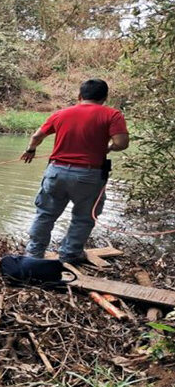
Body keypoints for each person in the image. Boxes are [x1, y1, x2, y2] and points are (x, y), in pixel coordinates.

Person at [20, 79, 129, 264]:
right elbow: (122, 143)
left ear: (80, 96)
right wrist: (109, 147)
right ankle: (69, 254)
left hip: (56, 172)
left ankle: (33, 254)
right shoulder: (112, 115)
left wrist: (31, 150)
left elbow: (37, 136)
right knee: (83, 218)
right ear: (104, 98)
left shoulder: (62, 113)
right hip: (89, 175)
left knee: (45, 214)